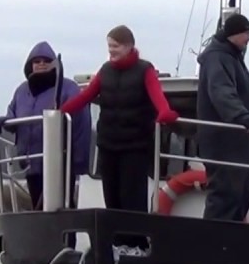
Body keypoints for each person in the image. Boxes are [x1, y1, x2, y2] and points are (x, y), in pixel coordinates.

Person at [57, 25, 179, 212]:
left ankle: (135, 239)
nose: (111, 50)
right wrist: (60, 110)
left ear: (129, 46)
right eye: (109, 46)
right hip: (108, 143)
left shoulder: (145, 70)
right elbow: (85, 96)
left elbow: (157, 96)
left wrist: (165, 112)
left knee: (131, 194)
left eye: (116, 46)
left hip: (135, 145)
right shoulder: (105, 71)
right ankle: (114, 237)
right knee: (111, 194)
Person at [0, 41, 91, 209]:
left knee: (61, 208)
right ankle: (43, 234)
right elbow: (13, 114)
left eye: (46, 60)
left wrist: (78, 160)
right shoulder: (22, 91)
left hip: (59, 161)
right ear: (30, 65)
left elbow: (80, 122)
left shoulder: (68, 88)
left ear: (54, 64)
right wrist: (3, 121)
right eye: (37, 61)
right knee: (38, 206)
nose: (41, 64)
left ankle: (68, 235)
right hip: (31, 162)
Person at [195, 13, 249, 222]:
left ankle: (229, 248)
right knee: (225, 197)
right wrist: (245, 118)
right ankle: (215, 248)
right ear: (233, 34)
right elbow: (221, 92)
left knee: (239, 198)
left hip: (238, 147)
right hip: (225, 145)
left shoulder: (232, 58)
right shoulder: (217, 58)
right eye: (246, 33)